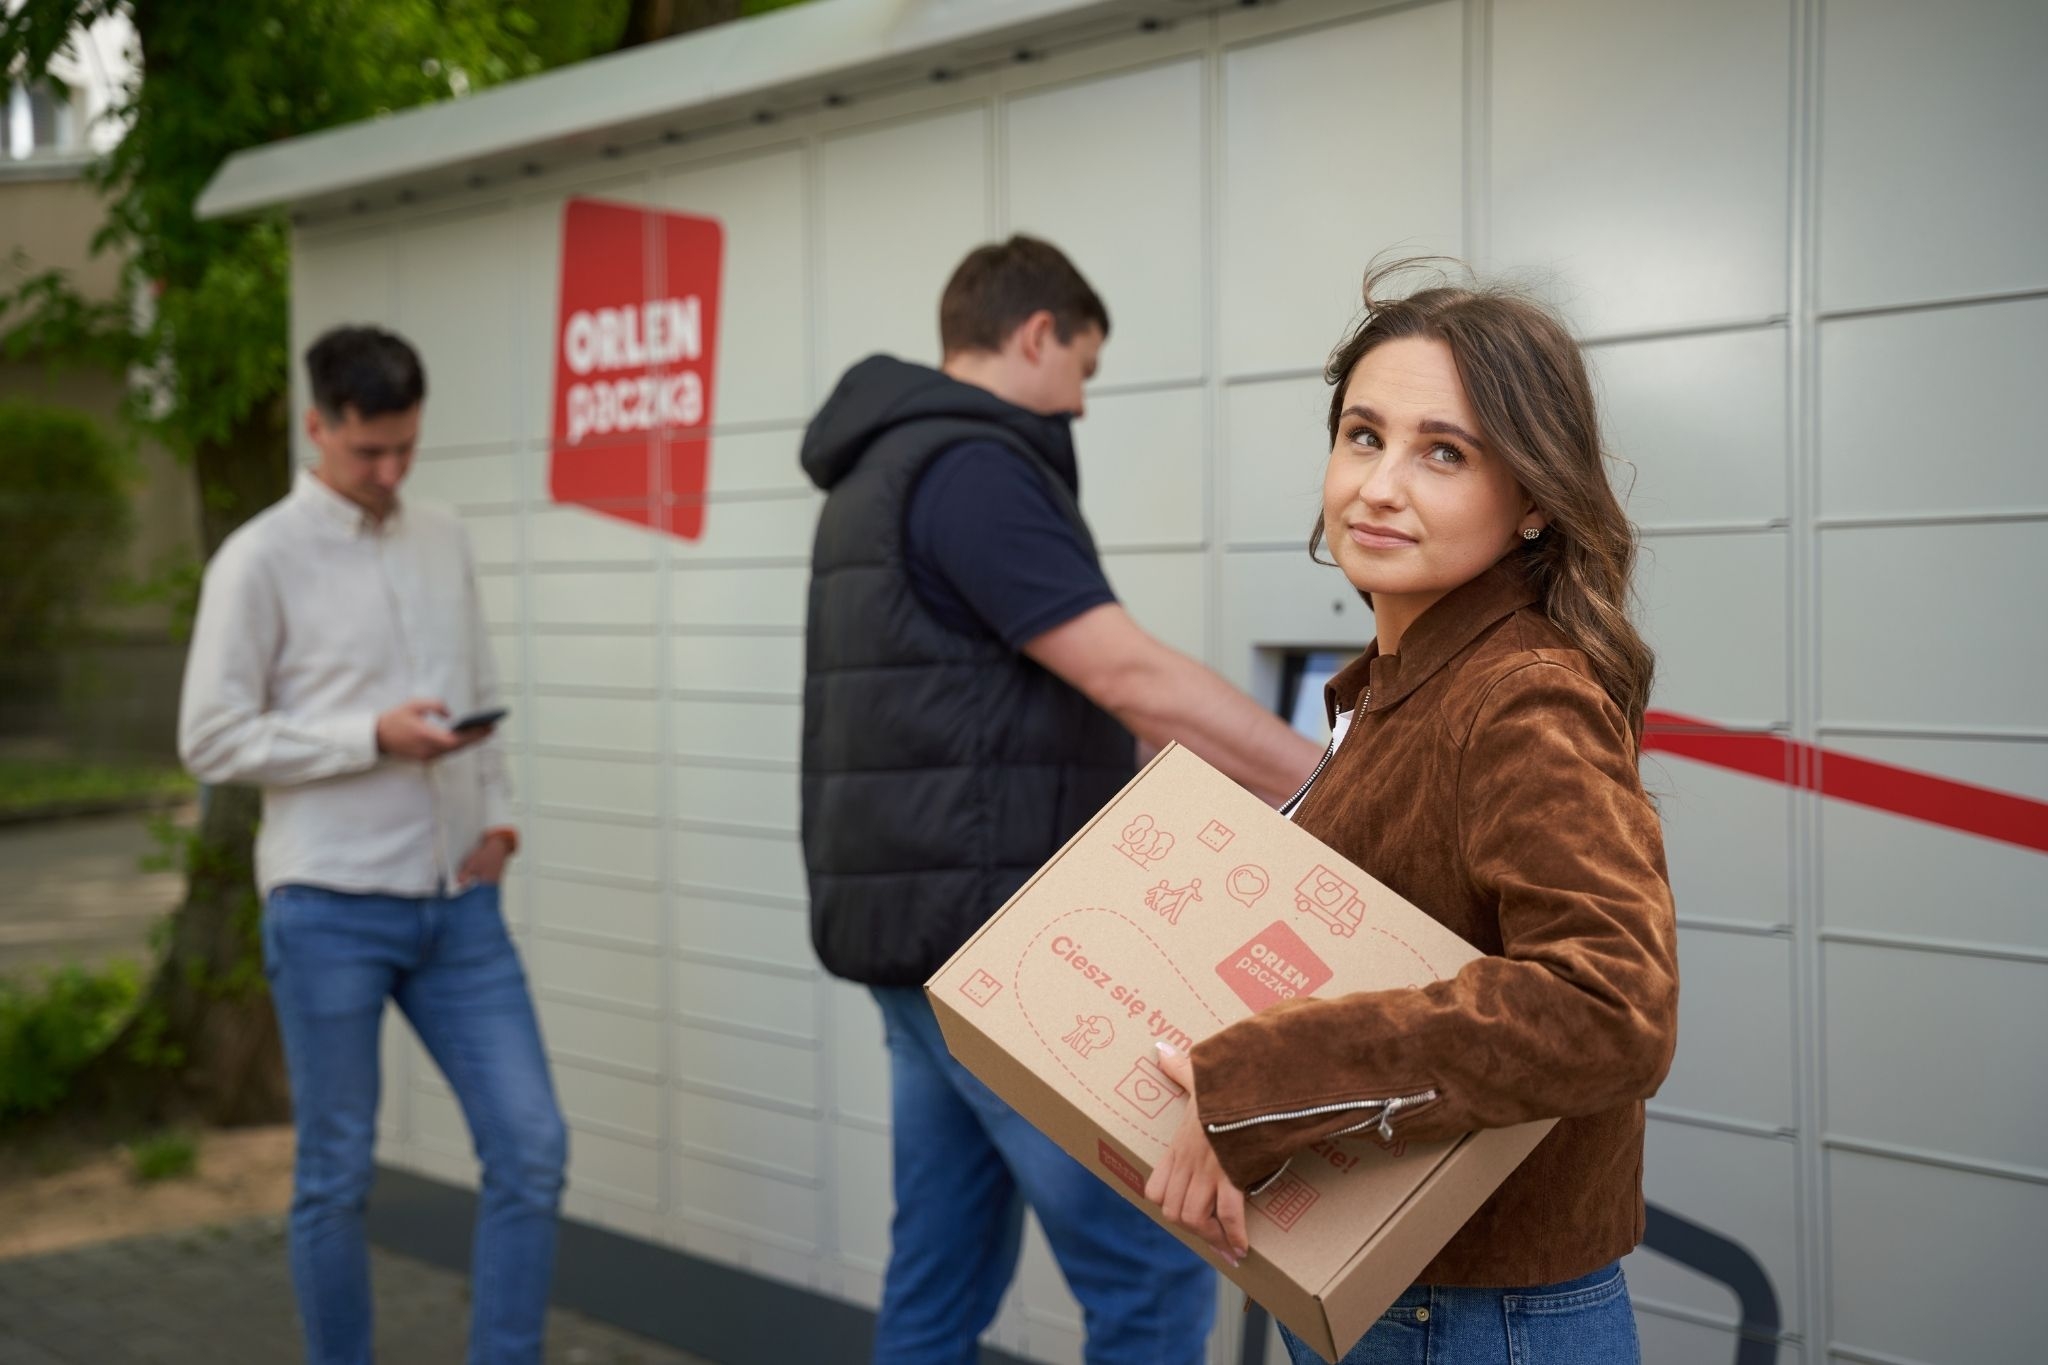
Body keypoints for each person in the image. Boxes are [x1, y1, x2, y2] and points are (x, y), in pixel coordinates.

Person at [799, 235, 1323, 1364]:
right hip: (991, 956)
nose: (1076, 410)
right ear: (1035, 335)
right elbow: (1123, 675)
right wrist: (1329, 783)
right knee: (1147, 1279)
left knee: (938, 1279)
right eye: (1080, 373)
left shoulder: (879, 472)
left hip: (911, 950)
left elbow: (981, 709)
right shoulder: (974, 469)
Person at [1143, 264, 1679, 1365]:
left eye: (1444, 451)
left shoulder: (1519, 694)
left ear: (1531, 497)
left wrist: (1255, 1083)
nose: (1379, 486)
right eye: (1360, 436)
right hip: (1402, 1296)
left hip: (1476, 1320)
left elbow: (1608, 1004)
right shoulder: (1399, 684)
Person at [179, 326, 567, 1365]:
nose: (391, 474)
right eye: (368, 454)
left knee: (533, 1147)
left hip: (458, 903)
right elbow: (208, 737)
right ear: (318, 426)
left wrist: (500, 809)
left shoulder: (441, 535)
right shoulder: (257, 559)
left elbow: (475, 677)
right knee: (336, 1176)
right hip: (329, 908)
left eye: (406, 449)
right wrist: (370, 738)